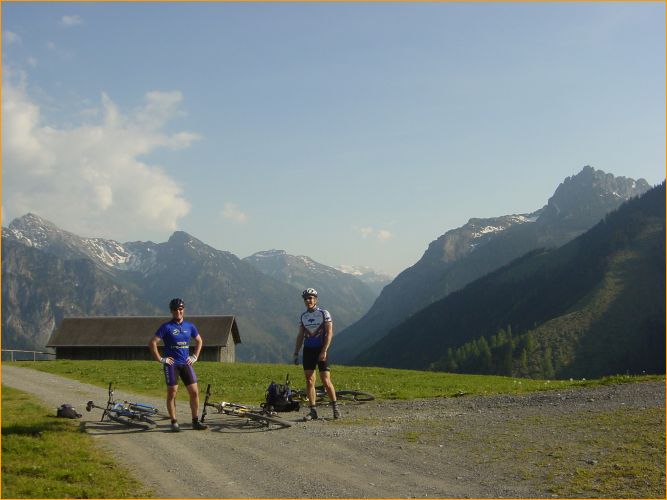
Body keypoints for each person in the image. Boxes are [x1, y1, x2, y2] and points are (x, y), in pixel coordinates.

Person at [148, 298, 207, 432]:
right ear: (171, 311)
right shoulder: (166, 327)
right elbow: (152, 343)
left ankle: (195, 421)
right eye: (175, 309)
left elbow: (199, 341)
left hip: (186, 363)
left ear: (183, 310)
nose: (178, 311)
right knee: (172, 393)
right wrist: (161, 359)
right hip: (172, 365)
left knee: (194, 392)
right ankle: (174, 422)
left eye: (180, 309)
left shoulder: (190, 326)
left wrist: (195, 356)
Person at [293, 288, 340, 420]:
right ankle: (313, 411)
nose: (308, 300)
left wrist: (324, 350)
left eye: (311, 298)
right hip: (308, 350)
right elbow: (300, 335)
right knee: (309, 381)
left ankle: (335, 407)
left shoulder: (324, 313)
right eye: (306, 299)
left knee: (326, 380)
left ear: (316, 299)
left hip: (321, 349)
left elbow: (329, 333)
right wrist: (296, 352)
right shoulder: (303, 316)